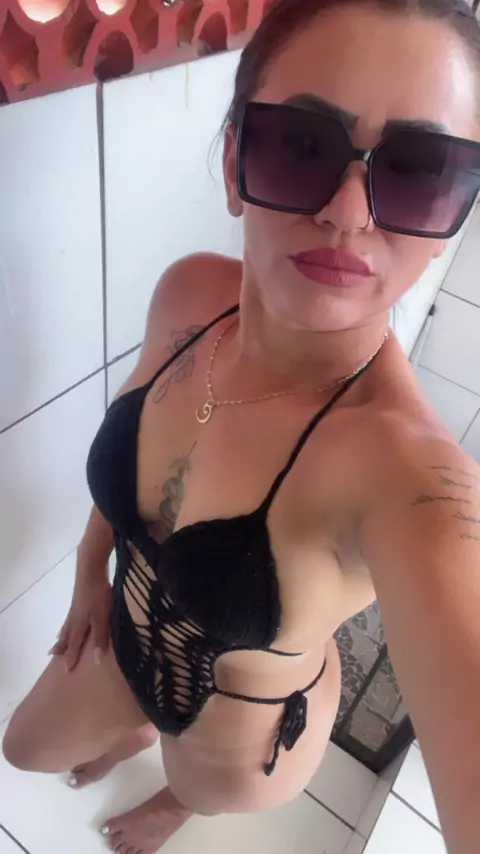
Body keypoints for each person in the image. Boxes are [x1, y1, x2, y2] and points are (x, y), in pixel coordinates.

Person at [4, 0, 480, 851]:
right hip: (126, 631)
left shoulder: (407, 477)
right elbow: (134, 463)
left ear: (452, 219)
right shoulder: (190, 296)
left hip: (242, 738)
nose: (348, 213)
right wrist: (86, 571)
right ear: (234, 163)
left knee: (196, 790)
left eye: (418, 172)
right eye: (302, 146)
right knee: (23, 748)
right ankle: (137, 728)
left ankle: (175, 805)